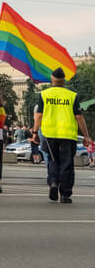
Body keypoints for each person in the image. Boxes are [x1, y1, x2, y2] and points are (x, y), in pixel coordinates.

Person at [32, 67, 92, 204]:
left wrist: (35, 132)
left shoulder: (44, 94)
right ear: (63, 81)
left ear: (52, 80)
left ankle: (53, 182)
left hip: (49, 134)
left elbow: (39, 115)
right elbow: (79, 117)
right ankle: (65, 194)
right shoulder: (72, 95)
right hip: (68, 134)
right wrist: (86, 136)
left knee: (53, 160)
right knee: (67, 164)